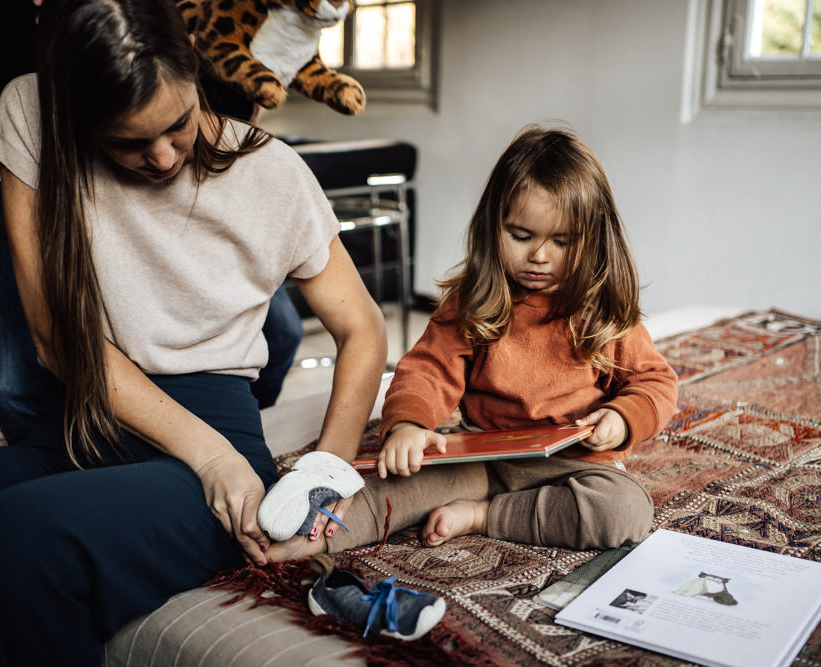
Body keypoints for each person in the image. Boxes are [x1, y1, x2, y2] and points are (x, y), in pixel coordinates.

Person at [0, 0, 386, 665]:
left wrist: (322, 480)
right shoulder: (33, 112)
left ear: (195, 74)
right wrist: (208, 454)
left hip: (209, 450)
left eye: (177, 124)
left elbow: (363, 328)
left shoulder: (273, 172)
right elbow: (57, 337)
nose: (164, 155)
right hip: (80, 426)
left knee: (7, 543)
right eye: (129, 143)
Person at [267, 125, 678, 562]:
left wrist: (622, 417)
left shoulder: (603, 308)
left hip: (573, 466)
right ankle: (313, 539)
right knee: (391, 483)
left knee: (624, 512)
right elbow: (427, 369)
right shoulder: (474, 300)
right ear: (492, 226)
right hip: (483, 458)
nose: (539, 255)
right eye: (521, 236)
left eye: (561, 241)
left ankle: (483, 517)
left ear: (595, 240)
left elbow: (656, 382)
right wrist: (408, 424)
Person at [0, 0, 302, 447]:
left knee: (281, 334)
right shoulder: (26, 105)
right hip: (35, 146)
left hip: (202, 147)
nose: (160, 155)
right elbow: (55, 338)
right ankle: (58, 469)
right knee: (12, 383)